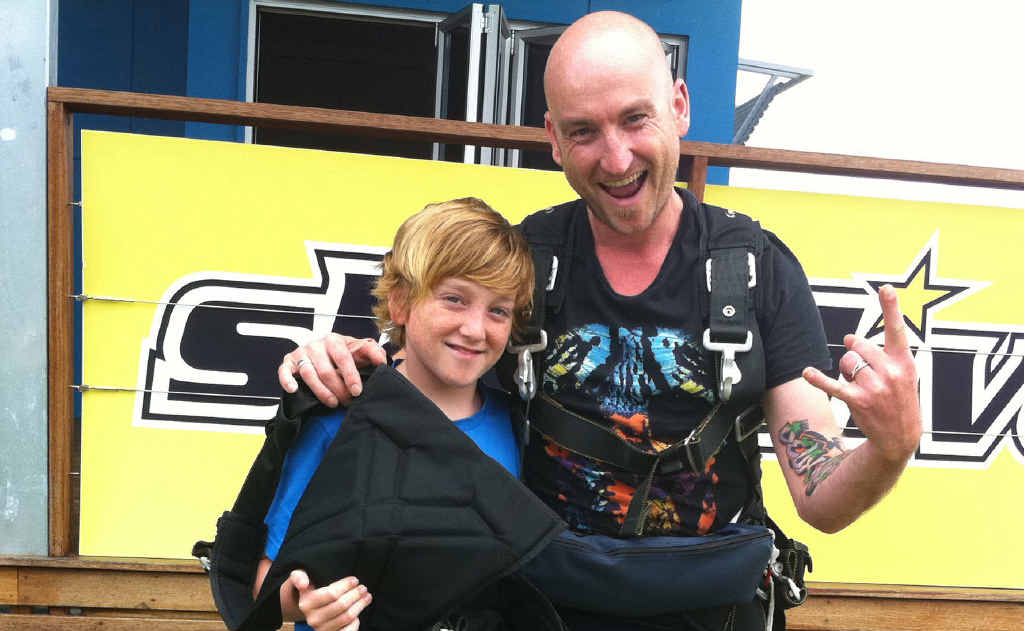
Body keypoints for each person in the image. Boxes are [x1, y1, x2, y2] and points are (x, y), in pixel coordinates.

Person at [277, 11, 922, 630]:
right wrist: (337, 362)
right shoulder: (521, 263)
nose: (616, 160)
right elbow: (422, 365)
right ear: (553, 139)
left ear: (679, 106)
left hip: (714, 608)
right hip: (539, 608)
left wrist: (889, 449)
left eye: (636, 119)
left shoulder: (756, 270)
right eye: (584, 131)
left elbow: (819, 498)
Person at [252, 197, 545, 631]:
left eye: (498, 310)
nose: (475, 329)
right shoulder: (340, 419)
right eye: (454, 299)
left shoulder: (518, 426)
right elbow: (265, 582)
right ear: (401, 303)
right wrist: (306, 601)